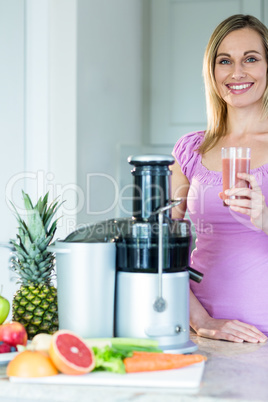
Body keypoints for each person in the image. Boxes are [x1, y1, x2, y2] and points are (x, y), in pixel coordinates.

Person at [171, 14, 268, 343]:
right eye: (224, 61)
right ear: (212, 72)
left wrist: (264, 218)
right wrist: (203, 322)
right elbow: (157, 248)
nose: (237, 73)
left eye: (250, 59)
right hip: (202, 337)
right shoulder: (191, 150)